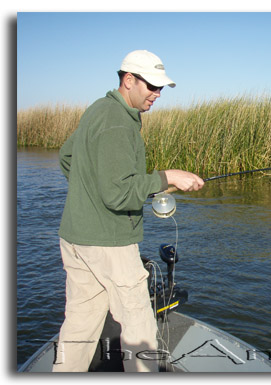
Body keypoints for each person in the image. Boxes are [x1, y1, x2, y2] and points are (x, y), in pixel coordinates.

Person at [52, 50, 204, 372]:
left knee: (80, 324)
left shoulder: (98, 110)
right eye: (152, 86)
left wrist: (93, 194)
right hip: (109, 243)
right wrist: (168, 177)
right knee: (139, 328)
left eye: (161, 88)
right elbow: (118, 193)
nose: (157, 94)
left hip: (76, 239)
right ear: (128, 80)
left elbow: (68, 159)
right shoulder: (118, 123)